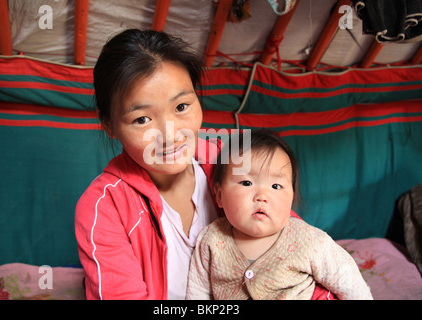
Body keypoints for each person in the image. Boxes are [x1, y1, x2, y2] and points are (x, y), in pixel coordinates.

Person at [75, 29, 221, 300]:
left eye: (181, 107)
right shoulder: (104, 208)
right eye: (142, 119)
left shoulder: (230, 162)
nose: (170, 135)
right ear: (109, 124)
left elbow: (296, 246)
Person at [186, 129, 373, 300]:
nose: (262, 196)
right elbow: (197, 294)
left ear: (290, 198)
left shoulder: (310, 241)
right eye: (246, 183)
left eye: (276, 186)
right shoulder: (210, 240)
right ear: (219, 195)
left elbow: (350, 284)